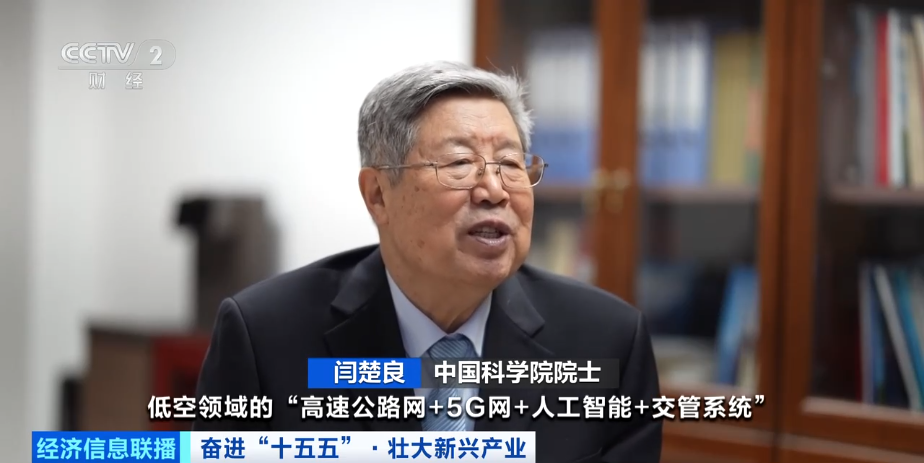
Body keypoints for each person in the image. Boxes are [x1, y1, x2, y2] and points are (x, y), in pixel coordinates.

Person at [193, 61, 662, 462]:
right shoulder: (264, 336)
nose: (494, 190)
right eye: (459, 164)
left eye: (510, 164)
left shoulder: (609, 340)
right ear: (378, 195)